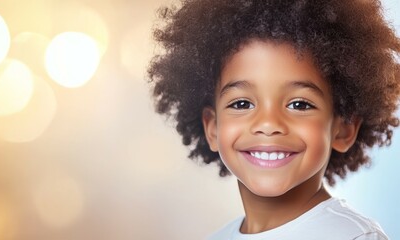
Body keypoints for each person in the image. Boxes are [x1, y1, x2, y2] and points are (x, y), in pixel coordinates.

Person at [148, 0, 400, 239]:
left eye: (299, 104)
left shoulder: (354, 236)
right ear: (212, 128)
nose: (268, 124)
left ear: (343, 129)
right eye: (242, 103)